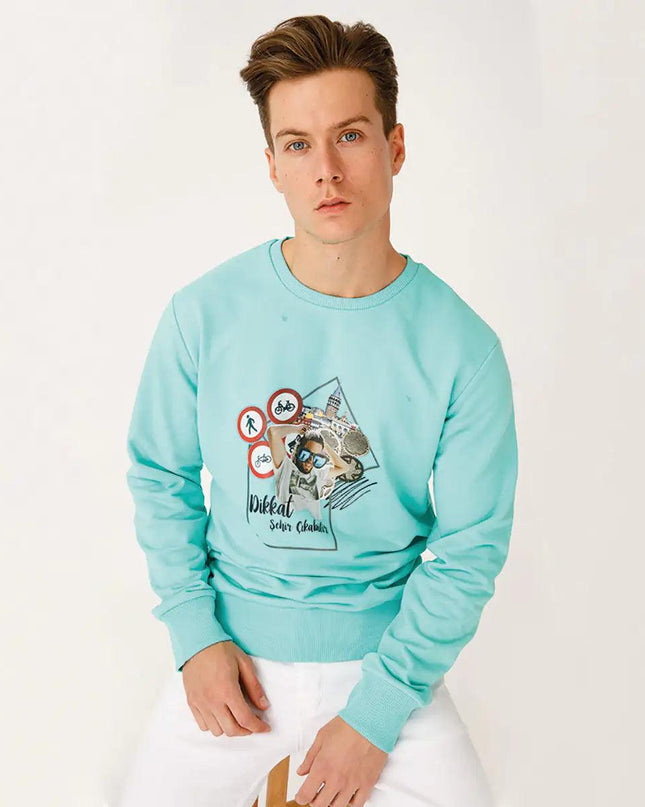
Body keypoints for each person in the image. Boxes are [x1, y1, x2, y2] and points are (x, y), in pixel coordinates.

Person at [120, 13, 518, 807]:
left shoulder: (462, 347)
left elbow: (469, 547)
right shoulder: (203, 314)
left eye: (350, 136)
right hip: (229, 662)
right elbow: (159, 472)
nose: (326, 171)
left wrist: (375, 714)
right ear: (272, 165)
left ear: (395, 146)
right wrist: (194, 635)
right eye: (298, 144)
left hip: (386, 672)